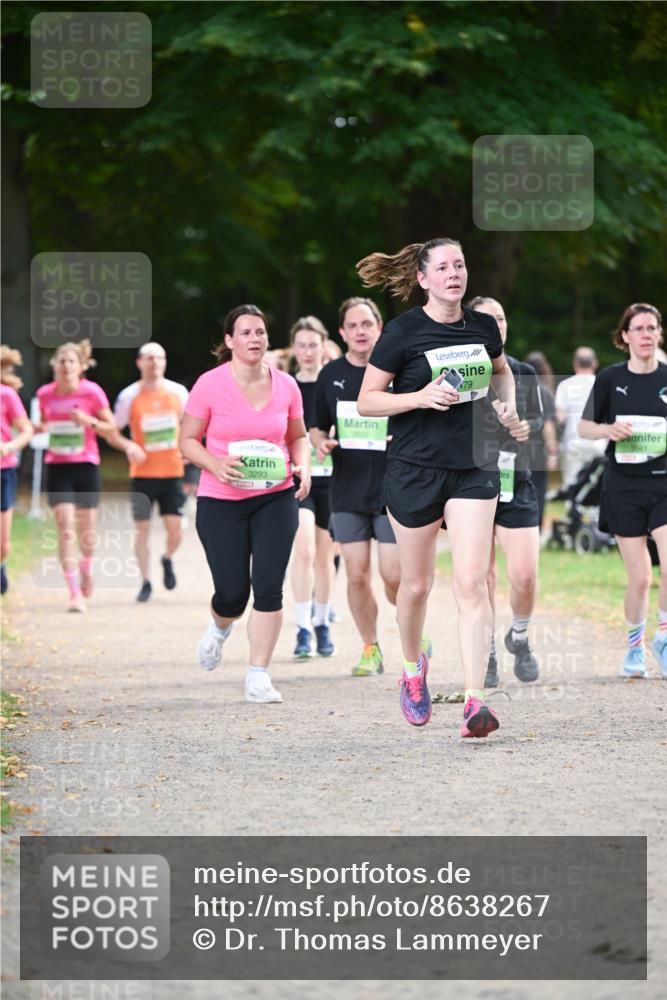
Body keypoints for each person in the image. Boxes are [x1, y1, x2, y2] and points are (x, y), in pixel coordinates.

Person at [357, 238, 518, 736]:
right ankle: (411, 671)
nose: (455, 273)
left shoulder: (483, 326)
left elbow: (501, 370)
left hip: (473, 467)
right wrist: (419, 396)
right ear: (423, 278)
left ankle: (475, 701)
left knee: (471, 583)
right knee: (417, 586)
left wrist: (506, 405)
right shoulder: (402, 333)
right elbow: (367, 401)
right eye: (444, 267)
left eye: (461, 265)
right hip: (414, 470)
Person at [179, 304, 310, 704]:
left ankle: (258, 675)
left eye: (260, 332)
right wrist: (214, 463)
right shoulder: (209, 384)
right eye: (246, 333)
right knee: (233, 593)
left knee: (269, 587)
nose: (255, 339)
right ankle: (219, 628)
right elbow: (186, 442)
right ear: (229, 341)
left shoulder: (286, 385)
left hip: (275, 497)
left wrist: (303, 466)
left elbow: (297, 436)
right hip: (222, 501)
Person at [312, 297, 430, 677]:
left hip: (393, 488)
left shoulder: (400, 371)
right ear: (342, 332)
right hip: (346, 490)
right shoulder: (330, 375)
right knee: (357, 573)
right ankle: (370, 648)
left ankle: (413, 630)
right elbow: (315, 425)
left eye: (367, 324)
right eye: (353, 325)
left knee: (394, 575)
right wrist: (319, 442)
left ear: (379, 329)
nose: (361, 332)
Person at [579, 302, 667, 680]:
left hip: (664, 482)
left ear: (659, 334)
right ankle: (634, 647)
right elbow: (585, 427)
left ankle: (662, 637)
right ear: (625, 336)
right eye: (639, 329)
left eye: (652, 328)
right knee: (641, 577)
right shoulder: (610, 379)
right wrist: (608, 430)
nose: (646, 335)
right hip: (624, 485)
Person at [468, 298, 543, 687]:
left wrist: (526, 428)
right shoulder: (463, 372)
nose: (496, 324)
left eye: (501, 316)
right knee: (483, 577)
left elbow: (537, 420)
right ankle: (489, 650)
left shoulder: (524, 371)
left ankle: (519, 634)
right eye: (488, 318)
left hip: (517, 480)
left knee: (525, 575)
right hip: (473, 484)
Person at [35, 340, 122, 612]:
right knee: (65, 528)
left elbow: (112, 427)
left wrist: (89, 422)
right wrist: (37, 428)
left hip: (85, 465)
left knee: (86, 533)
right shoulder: (45, 394)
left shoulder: (92, 393)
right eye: (61, 361)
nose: (66, 365)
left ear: (80, 366)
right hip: (58, 466)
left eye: (71, 361)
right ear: (55, 366)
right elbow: (38, 426)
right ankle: (74, 593)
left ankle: (86, 567)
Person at [114, 343, 189, 602]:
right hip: (142, 474)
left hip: (173, 472)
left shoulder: (178, 393)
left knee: (176, 530)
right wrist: (128, 444)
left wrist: (190, 450)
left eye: (159, 357)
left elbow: (193, 426)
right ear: (139, 363)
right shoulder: (128, 396)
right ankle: (145, 581)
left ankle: (167, 558)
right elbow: (114, 429)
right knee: (142, 530)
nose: (154, 362)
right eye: (148, 358)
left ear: (165, 362)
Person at [289, 316, 335, 658]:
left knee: (324, 557)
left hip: (334, 480)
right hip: (298, 480)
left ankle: (322, 622)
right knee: (302, 551)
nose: (307, 351)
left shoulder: (335, 382)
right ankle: (302, 627)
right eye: (301, 345)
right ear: (294, 349)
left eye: (313, 345)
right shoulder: (285, 386)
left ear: (324, 346)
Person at [1, 347, 34, 595]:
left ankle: (1, 564)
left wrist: (10, 445)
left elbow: (26, 430)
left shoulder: (7, 395)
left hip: (4, 470)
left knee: (3, 544)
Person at [556, 347, 606, 487]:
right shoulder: (603, 385)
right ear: (595, 363)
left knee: (571, 486)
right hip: (598, 443)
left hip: (573, 443)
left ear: (575, 364)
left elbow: (560, 417)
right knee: (595, 489)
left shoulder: (565, 386)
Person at [524, 351, 559, 529]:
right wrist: (552, 451)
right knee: (538, 490)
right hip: (538, 449)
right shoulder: (545, 391)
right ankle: (535, 528)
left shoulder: (518, 388)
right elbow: (548, 425)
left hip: (518, 447)